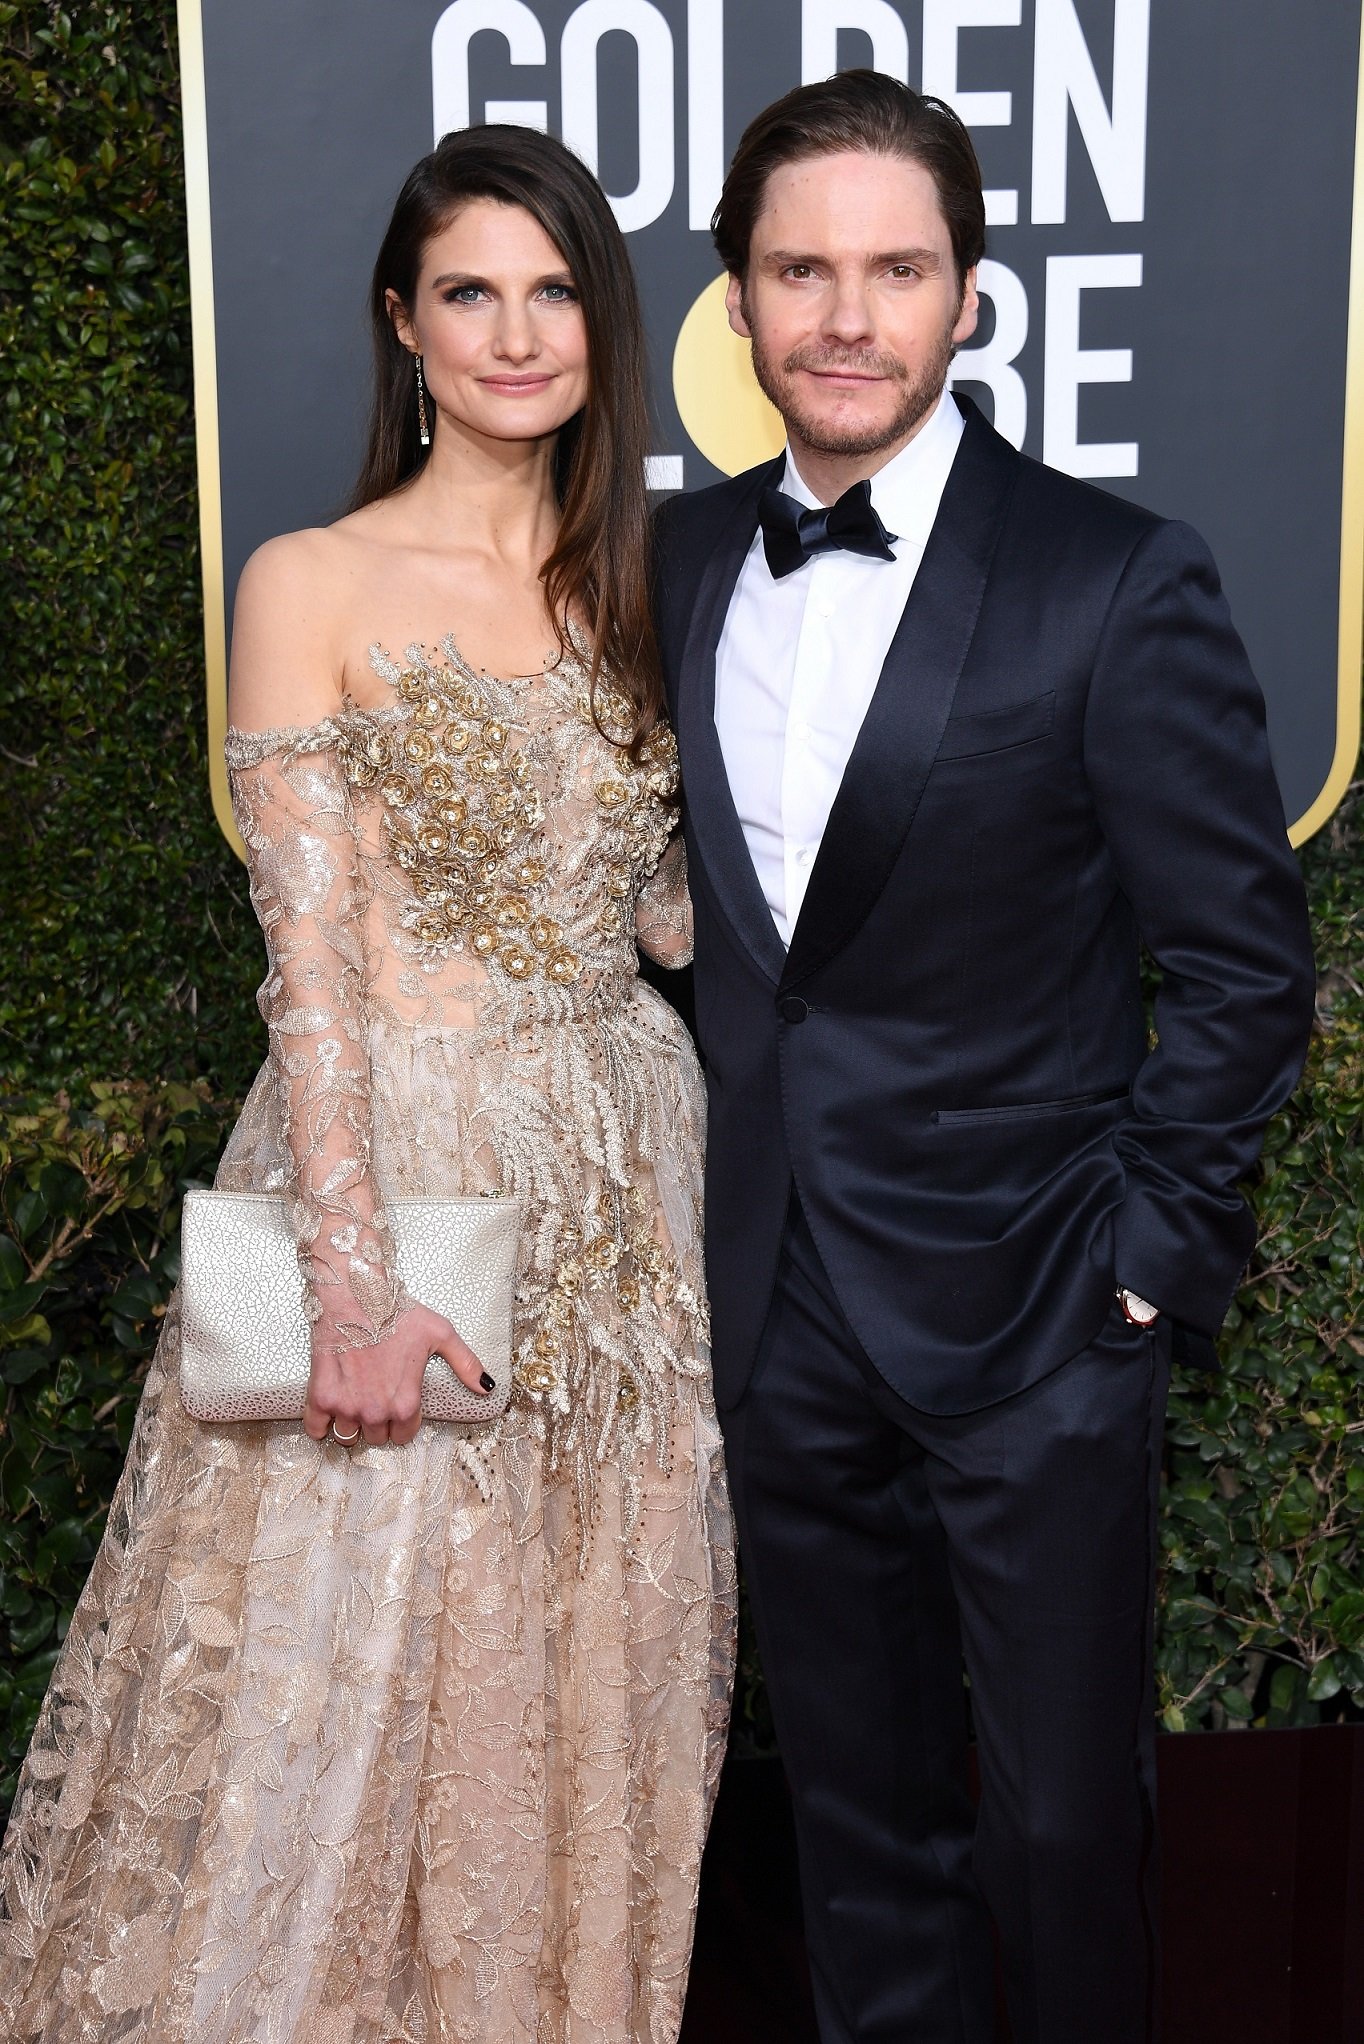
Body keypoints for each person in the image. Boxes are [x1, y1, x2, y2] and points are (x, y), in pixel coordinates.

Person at [0, 125, 735, 2043]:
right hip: (410, 1172)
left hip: (632, 1184)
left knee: (595, 1653)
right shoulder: (309, 578)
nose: (517, 333)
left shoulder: (649, 579)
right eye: (471, 293)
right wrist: (348, 1283)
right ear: (403, 324)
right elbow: (307, 972)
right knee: (361, 1680)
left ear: (605, 322)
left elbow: (669, 916)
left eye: (555, 291)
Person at [652, 69, 1315, 2044]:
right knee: (858, 1833)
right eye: (801, 271)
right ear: (739, 303)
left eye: (895, 269)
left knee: (1057, 1835)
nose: (846, 317)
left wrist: (1146, 1261)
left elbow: (1241, 961)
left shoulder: (1111, 573)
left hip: (1041, 1314)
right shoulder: (675, 565)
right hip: (777, 1307)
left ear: (966, 297)